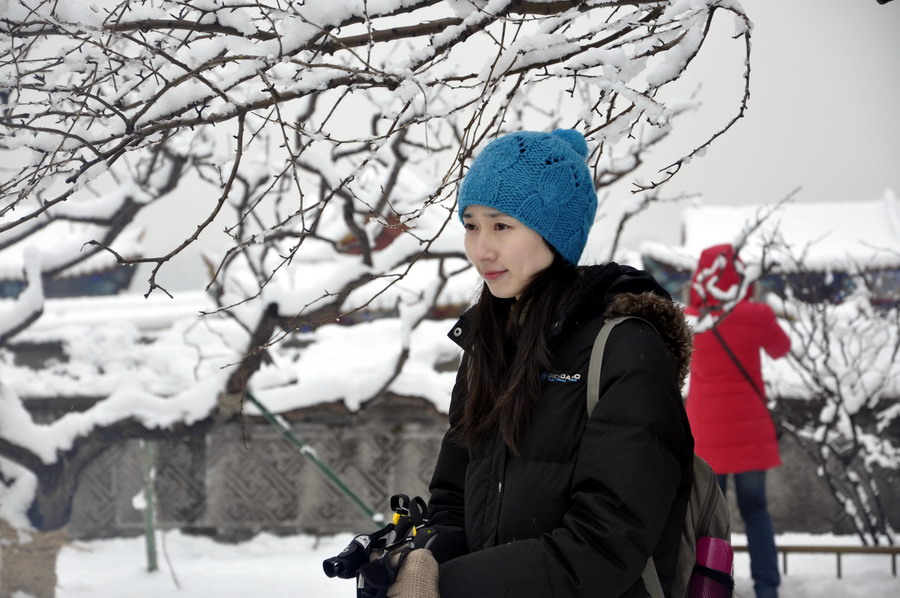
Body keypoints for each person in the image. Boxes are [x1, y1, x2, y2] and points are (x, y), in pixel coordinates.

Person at [374, 129, 695, 598]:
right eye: (470, 225)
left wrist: (449, 587)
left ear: (554, 232)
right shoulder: (489, 344)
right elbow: (454, 501)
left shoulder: (625, 350)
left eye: (501, 225)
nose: (481, 248)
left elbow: (604, 546)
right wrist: (420, 561)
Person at [684, 244, 791, 598]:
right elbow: (782, 347)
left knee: (708, 520)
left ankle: (707, 587)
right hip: (750, 432)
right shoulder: (756, 315)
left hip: (706, 435)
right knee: (756, 510)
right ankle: (767, 588)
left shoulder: (692, 319)